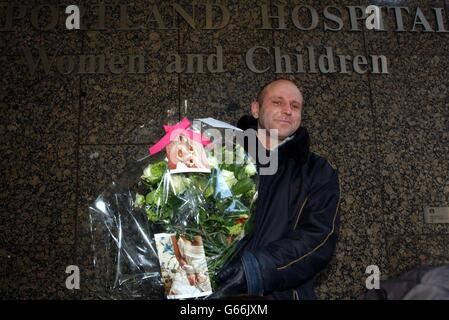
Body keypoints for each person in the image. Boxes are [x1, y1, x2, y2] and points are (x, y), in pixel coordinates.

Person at [209, 78, 341, 300]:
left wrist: (255, 270)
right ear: (256, 109)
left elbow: (319, 237)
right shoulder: (217, 154)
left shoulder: (318, 171)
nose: (287, 110)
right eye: (278, 102)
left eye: (295, 106)